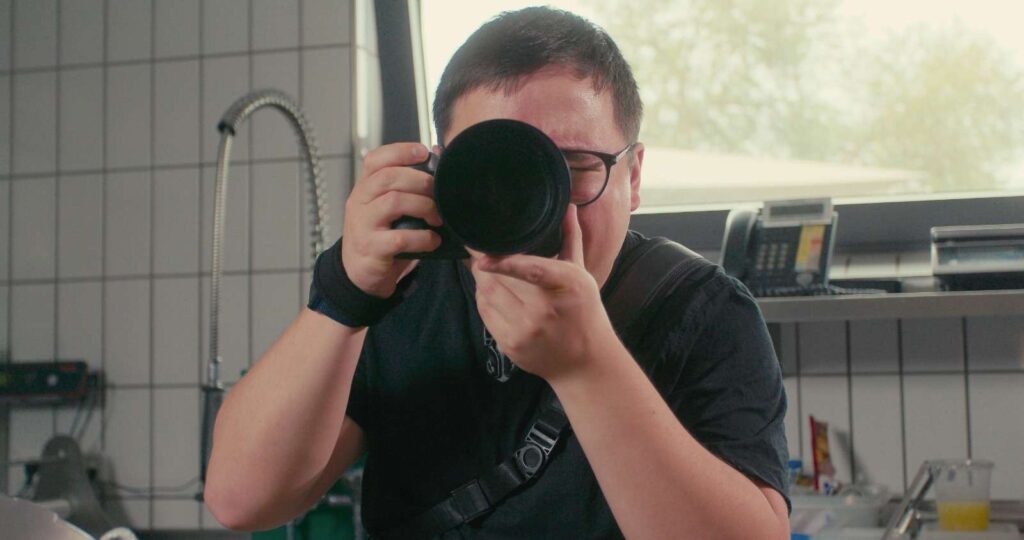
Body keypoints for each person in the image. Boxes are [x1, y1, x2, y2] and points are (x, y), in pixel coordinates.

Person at [204, 7, 790, 539]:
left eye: (573, 169)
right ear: (442, 170)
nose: (539, 203)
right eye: (500, 170)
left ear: (633, 176)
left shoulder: (700, 310)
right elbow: (241, 500)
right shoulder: (401, 292)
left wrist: (587, 365)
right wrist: (343, 295)